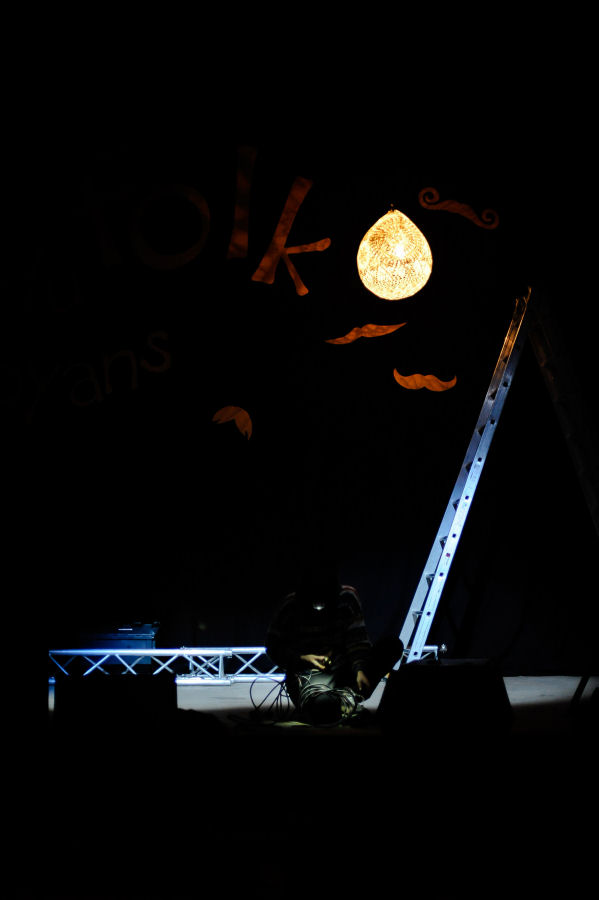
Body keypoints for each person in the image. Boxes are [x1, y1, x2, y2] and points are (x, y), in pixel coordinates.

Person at [265, 559, 403, 726]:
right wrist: (302, 658)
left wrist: (360, 669)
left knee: (392, 645)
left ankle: (344, 700)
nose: (320, 606)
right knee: (324, 705)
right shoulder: (289, 606)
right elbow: (273, 647)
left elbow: (357, 638)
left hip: (345, 671)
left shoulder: (347, 598)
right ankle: (338, 706)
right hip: (309, 677)